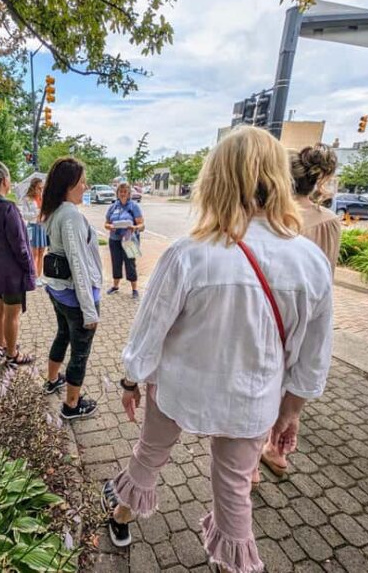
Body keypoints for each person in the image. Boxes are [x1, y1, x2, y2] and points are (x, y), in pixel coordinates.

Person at [101, 127, 334, 573]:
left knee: (149, 455)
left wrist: (131, 380)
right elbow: (313, 355)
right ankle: (234, 563)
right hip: (253, 398)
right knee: (233, 490)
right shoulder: (310, 261)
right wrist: (291, 412)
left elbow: (149, 330)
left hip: (178, 389)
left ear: (216, 178)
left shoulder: (189, 252)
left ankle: (122, 517)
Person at [254, 144, 341, 484]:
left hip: (271, 313)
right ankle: (278, 449)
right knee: (293, 383)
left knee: (262, 383)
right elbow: (327, 273)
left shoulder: (277, 220)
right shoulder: (329, 221)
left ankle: (249, 464)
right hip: (309, 310)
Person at [40, 157, 103, 420]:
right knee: (80, 353)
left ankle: (53, 379)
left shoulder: (54, 211)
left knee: (62, 335)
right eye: (82, 182)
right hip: (76, 297)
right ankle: (72, 405)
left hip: (59, 292)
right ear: (68, 184)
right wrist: (89, 311)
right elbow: (78, 263)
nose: (85, 187)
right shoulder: (71, 216)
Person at [0, 160, 36, 366]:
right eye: (9, 178)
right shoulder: (8, 208)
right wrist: (29, 268)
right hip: (11, 271)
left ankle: (2, 344)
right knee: (12, 314)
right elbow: (20, 245)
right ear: (4, 181)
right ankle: (12, 354)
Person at [104, 182, 145, 298]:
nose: (122, 194)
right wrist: (110, 226)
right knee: (116, 262)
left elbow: (142, 225)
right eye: (120, 192)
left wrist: (134, 228)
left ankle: (134, 289)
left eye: (125, 192)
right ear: (117, 193)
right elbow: (106, 224)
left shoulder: (134, 206)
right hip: (114, 239)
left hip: (129, 239)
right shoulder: (113, 207)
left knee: (130, 264)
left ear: (129, 193)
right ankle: (115, 286)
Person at [20, 177, 47, 286]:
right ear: (33, 187)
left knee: (41, 252)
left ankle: (39, 276)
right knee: (34, 253)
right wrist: (37, 212)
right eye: (39, 188)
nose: (41, 190)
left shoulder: (43, 198)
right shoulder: (27, 199)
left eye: (42, 188)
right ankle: (34, 277)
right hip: (33, 226)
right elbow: (25, 215)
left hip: (42, 226)